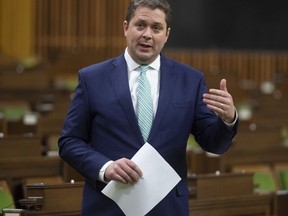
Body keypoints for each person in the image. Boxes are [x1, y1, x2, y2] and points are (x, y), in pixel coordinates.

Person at [58, 0, 238, 215]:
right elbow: (69, 142)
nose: (147, 34)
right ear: (126, 27)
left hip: (167, 207)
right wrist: (106, 168)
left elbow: (214, 144)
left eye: (156, 28)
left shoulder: (190, 80)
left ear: (167, 34)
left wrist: (228, 119)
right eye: (140, 25)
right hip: (109, 205)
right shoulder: (92, 78)